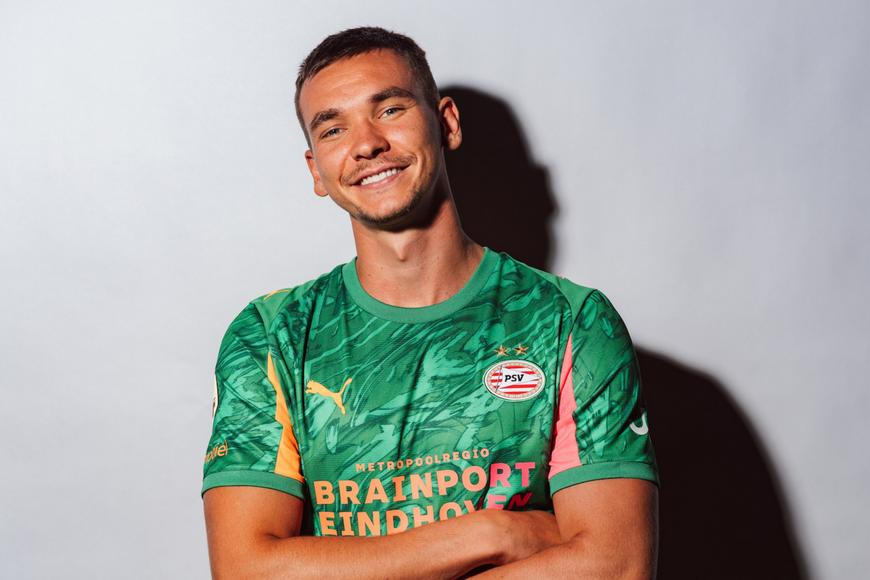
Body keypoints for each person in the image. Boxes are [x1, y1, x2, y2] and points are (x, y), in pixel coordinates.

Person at [202, 26, 658, 579]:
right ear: (316, 169)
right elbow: (245, 570)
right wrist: (493, 534)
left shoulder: (573, 323)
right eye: (334, 128)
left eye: (390, 109)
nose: (366, 144)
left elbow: (617, 566)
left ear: (446, 124)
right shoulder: (270, 335)